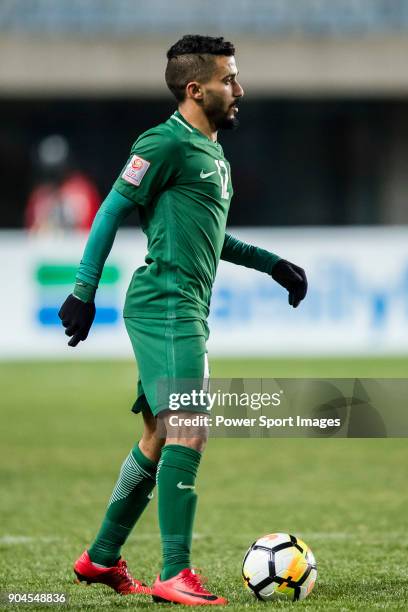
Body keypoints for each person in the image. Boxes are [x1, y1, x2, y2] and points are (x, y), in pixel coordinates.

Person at [58, 34, 307, 606]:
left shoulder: (212, 154)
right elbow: (112, 209)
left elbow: (213, 239)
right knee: (191, 429)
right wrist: (82, 291)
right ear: (196, 90)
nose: (239, 89)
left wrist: (274, 266)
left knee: (157, 435)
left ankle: (100, 557)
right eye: (228, 80)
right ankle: (175, 573)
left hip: (183, 308)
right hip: (166, 306)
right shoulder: (164, 143)